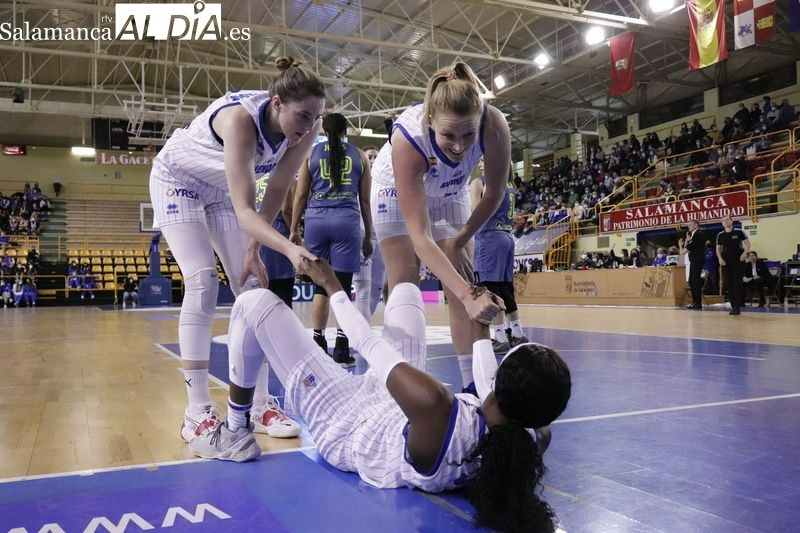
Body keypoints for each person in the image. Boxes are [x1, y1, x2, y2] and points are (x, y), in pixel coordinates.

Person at [189, 258, 572, 533]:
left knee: (253, 303)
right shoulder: (530, 434)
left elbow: (364, 340)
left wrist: (332, 285)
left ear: (504, 382)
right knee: (405, 291)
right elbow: (487, 378)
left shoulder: (437, 404)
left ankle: (237, 427)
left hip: (347, 422)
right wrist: (480, 315)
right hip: (399, 415)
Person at [148, 56, 326, 442]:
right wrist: (289, 248)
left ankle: (259, 404)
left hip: (221, 191)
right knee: (202, 281)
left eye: (315, 117)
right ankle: (196, 411)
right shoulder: (240, 121)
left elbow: (277, 188)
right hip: (178, 180)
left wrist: (253, 250)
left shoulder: (307, 129)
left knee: (253, 292)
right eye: (302, 116)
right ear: (277, 103)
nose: (309, 126)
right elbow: (247, 212)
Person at [370, 62, 510, 390]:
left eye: (468, 135)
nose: (460, 147)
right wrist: (467, 295)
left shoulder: (495, 124)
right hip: (395, 185)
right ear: (430, 119)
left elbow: (495, 193)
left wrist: (460, 240)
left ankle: (474, 388)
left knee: (464, 281)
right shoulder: (408, 138)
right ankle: (405, 387)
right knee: (405, 278)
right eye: (448, 135)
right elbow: (419, 236)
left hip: (452, 189)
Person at [290, 113, 373, 367]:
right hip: (346, 222)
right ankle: (341, 348)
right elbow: (365, 201)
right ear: (346, 130)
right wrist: (368, 234)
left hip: (316, 221)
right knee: (342, 288)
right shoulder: (359, 156)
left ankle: (317, 343)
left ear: (323, 130)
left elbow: (301, 194)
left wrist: (294, 229)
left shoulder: (311, 155)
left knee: (319, 287)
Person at [469, 159, 528, 354]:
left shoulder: (480, 183)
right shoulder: (509, 184)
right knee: (505, 288)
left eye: (483, 159)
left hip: (490, 237)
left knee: (491, 289)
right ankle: (518, 333)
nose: (479, 162)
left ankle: (500, 336)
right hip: (507, 237)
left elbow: (475, 214)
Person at [352, 145, 387, 323]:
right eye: (369, 157)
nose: (372, 161)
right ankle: (363, 338)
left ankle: (361, 329)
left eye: (375, 157)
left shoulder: (387, 181)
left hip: (381, 240)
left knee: (376, 290)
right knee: (363, 290)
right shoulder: (354, 181)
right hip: (361, 239)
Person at [255, 173, 297, 309]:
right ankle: (284, 330)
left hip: (258, 234)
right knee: (284, 294)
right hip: (277, 234)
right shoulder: (282, 173)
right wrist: (294, 231)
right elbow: (287, 209)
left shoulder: (258, 175)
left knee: (266, 291)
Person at [716, 215, 750, 315]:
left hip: (738, 261)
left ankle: (737, 306)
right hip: (726, 262)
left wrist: (745, 253)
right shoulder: (720, 235)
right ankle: (733, 306)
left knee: (737, 283)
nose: (725, 222)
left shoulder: (739, 231)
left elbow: (748, 244)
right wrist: (720, 259)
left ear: (731, 221)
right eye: (723, 220)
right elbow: (718, 249)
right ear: (722, 223)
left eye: (727, 220)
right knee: (729, 284)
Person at [680, 219, 705, 310]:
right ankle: (695, 302)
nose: (688, 226)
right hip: (694, 261)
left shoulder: (698, 234)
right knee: (692, 280)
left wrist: (683, 250)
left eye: (690, 224)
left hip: (697, 260)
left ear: (696, 224)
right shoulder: (693, 235)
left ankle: (698, 303)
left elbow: (691, 246)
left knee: (695, 281)